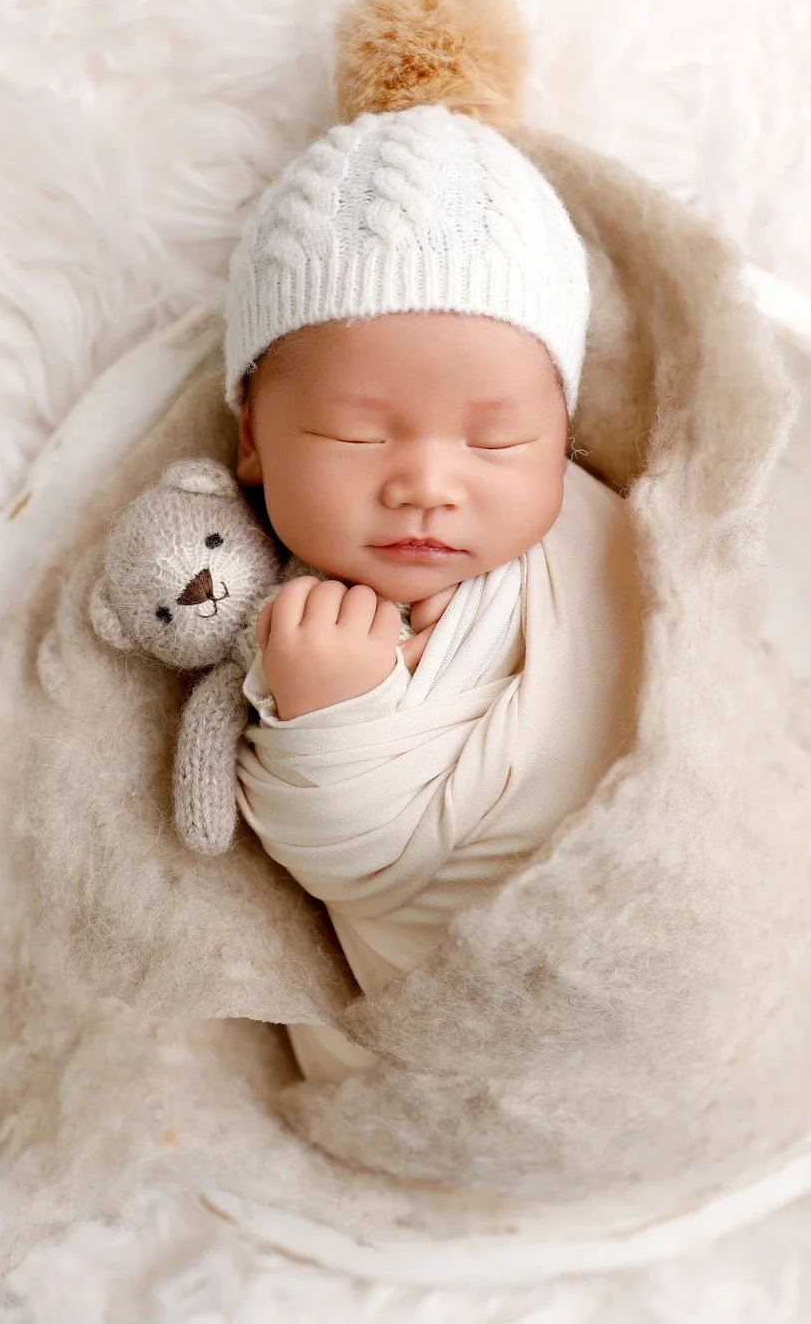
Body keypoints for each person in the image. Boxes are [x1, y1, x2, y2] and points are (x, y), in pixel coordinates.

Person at [225, 100, 642, 1082]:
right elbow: (351, 869)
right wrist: (330, 715)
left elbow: (698, 687)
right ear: (252, 440)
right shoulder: (274, 611)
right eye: (357, 435)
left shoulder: (610, 544)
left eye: (497, 441)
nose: (426, 483)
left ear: (563, 437)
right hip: (469, 1026)